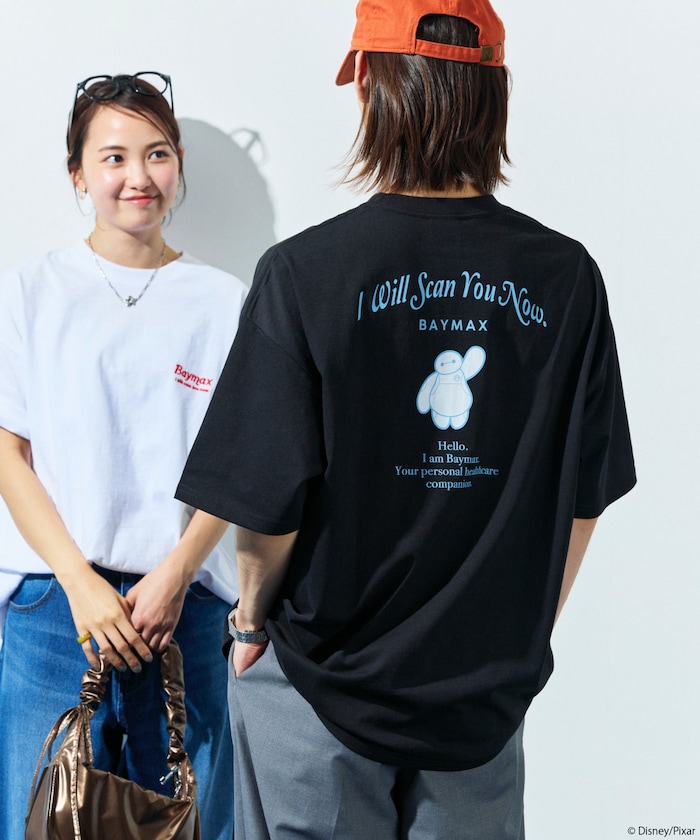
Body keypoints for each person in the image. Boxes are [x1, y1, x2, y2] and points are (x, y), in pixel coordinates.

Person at [176, 0, 637, 836]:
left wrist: (247, 621)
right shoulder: (567, 279)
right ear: (495, 96)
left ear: (374, 91)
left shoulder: (304, 273)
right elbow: (583, 497)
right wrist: (517, 635)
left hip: (317, 689)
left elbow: (267, 509)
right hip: (478, 698)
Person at [0, 73, 246, 840]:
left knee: (189, 823)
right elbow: (8, 452)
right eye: (113, 157)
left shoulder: (224, 301)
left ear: (178, 165)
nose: (138, 176)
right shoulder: (31, 290)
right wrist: (80, 583)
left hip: (184, 609)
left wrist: (174, 574)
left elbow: (239, 460)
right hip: (54, 609)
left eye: (157, 153)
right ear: (78, 174)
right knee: (38, 822)